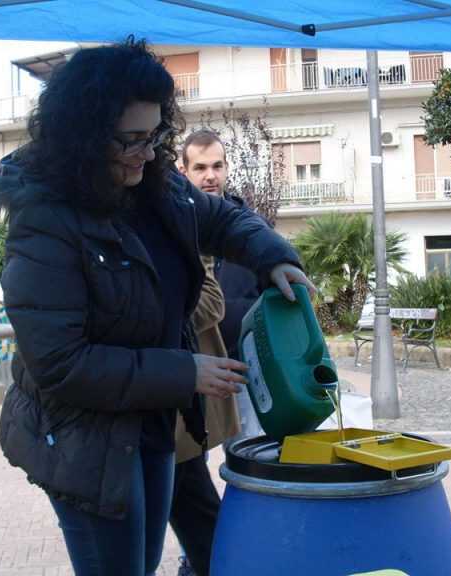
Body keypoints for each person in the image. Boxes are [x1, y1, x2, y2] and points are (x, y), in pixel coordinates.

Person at [0, 40, 313, 576]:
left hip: (155, 421)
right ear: (84, 139)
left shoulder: (159, 185)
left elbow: (224, 220)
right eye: (130, 140)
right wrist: (185, 371)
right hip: (85, 443)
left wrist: (274, 259)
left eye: (157, 134)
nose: (147, 151)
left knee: (145, 561)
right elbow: (60, 363)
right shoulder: (44, 219)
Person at [170, 130, 266, 576]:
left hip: (246, 377)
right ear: (183, 170)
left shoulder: (248, 229)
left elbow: (270, 298)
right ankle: (206, 558)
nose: (210, 176)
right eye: (200, 168)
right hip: (188, 381)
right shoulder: (172, 228)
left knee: (247, 471)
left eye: (217, 166)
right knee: (192, 475)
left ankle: (237, 550)